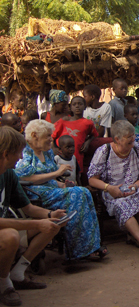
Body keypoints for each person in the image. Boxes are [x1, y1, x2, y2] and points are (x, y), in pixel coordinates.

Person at [14, 119, 105, 260]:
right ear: (34, 135)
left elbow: (50, 179)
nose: (51, 139)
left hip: (51, 189)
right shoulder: (25, 152)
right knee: (77, 195)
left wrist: (62, 184)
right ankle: (79, 250)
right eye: (47, 136)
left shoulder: (47, 151)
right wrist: (56, 173)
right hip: (35, 194)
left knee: (84, 191)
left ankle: (91, 245)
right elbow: (27, 179)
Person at [0, 127, 66, 306]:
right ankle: (4, 284)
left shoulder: (9, 175)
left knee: (53, 225)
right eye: (19, 153)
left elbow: (28, 208)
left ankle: (17, 274)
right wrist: (36, 225)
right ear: (6, 154)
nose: (21, 158)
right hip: (5, 231)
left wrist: (50, 215)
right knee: (11, 236)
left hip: (7, 226)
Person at [88, 120, 139, 262]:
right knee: (122, 204)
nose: (132, 143)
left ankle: (132, 234)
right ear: (117, 139)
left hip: (135, 189)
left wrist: (134, 186)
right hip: (113, 194)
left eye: (133, 139)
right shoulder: (104, 151)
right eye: (128, 141)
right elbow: (92, 179)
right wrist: (109, 188)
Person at [52, 96, 98, 171]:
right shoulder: (63, 121)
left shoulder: (88, 123)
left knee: (75, 175)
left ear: (85, 107)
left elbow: (94, 135)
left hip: (77, 156)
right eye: (74, 104)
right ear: (70, 107)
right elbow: (52, 136)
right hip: (60, 156)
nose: (77, 106)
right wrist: (53, 147)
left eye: (80, 104)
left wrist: (87, 142)